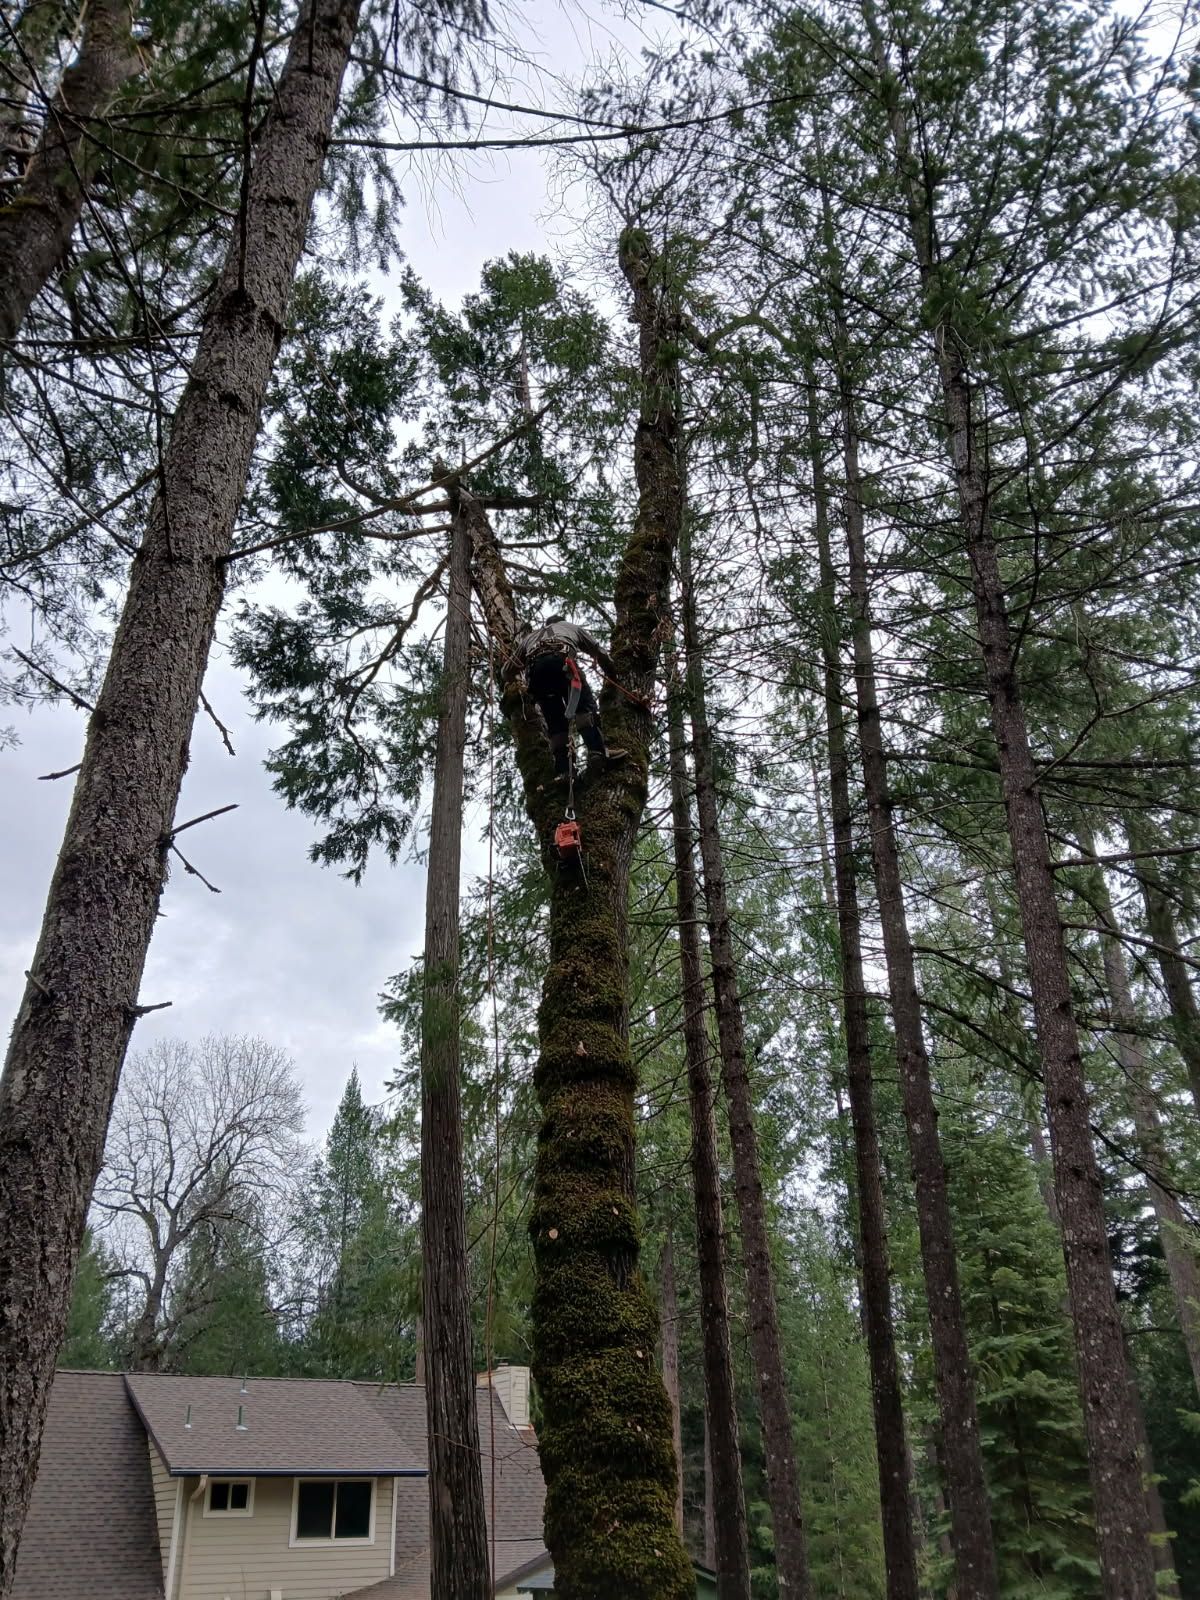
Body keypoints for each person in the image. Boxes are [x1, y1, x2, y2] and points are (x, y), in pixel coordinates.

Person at [511, 614, 629, 782]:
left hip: (538, 676)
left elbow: (507, 670)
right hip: (563, 665)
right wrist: (612, 673)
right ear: (561, 621)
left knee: (556, 724)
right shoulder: (571, 627)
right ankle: (597, 752)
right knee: (583, 708)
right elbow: (598, 650)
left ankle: (564, 771)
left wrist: (513, 678)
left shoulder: (530, 638)